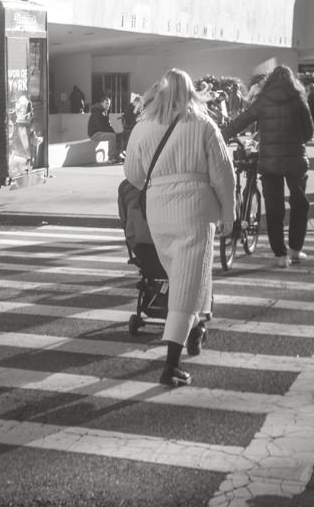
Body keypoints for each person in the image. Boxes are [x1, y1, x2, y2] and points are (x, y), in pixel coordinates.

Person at [123, 69, 234, 388]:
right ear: (190, 91)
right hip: (196, 209)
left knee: (184, 276)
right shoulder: (203, 124)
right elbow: (223, 174)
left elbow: (132, 173)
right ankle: (171, 364)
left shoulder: (143, 125)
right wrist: (228, 214)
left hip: (159, 210)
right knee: (188, 284)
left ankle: (197, 328)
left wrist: (160, 183)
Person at [223, 65, 313, 268]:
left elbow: (242, 120)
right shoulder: (299, 100)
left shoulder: (264, 100)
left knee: (274, 208)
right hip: (295, 161)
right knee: (299, 204)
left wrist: (222, 135)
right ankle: (296, 249)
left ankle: (281, 254)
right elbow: (309, 133)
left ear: (271, 81)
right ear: (292, 81)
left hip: (269, 162)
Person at [88, 96, 119, 163]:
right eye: (106, 103)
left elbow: (108, 125)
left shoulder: (104, 112)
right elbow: (101, 126)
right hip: (94, 134)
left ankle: (116, 155)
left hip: (100, 132)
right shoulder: (97, 112)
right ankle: (111, 157)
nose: (108, 105)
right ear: (101, 103)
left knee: (115, 135)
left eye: (109, 104)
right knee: (112, 136)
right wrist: (112, 133)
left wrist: (113, 132)